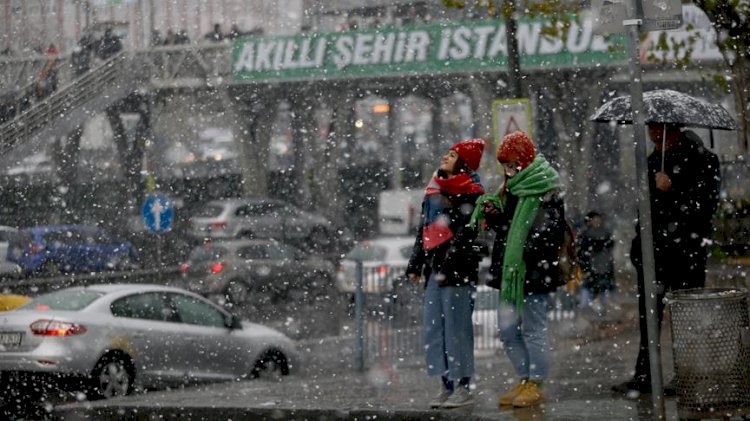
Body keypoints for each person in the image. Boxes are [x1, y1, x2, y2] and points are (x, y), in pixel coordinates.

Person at [611, 123, 720, 396]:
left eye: (656, 129)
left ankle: (687, 374)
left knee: (686, 319)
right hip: (654, 255)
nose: (651, 134)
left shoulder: (703, 160)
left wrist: (672, 189)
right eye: (649, 129)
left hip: (686, 253)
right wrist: (639, 248)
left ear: (671, 130)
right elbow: (645, 210)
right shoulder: (651, 162)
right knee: (649, 317)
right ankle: (645, 375)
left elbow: (705, 206)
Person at [469, 131, 565, 408]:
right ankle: (524, 379)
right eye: (505, 165)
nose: (508, 170)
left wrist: (525, 249)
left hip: (533, 272)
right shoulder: (511, 188)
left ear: (524, 160)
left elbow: (550, 234)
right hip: (510, 272)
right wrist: (494, 216)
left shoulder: (545, 188)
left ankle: (536, 382)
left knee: (534, 328)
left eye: (512, 164)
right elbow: (507, 229)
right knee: (508, 329)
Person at [405, 138, 486, 409]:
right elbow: (424, 229)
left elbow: (468, 232)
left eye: (452, 155)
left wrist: (451, 257)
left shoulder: (471, 192)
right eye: (447, 152)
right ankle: (445, 383)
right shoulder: (434, 189)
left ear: (463, 162)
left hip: (458, 271)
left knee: (457, 329)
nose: (445, 157)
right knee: (434, 329)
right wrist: (416, 263)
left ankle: (463, 385)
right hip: (435, 270)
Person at [576, 210, 615, 310]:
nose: (597, 222)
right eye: (594, 219)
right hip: (591, 269)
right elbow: (582, 253)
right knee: (587, 293)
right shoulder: (585, 235)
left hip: (603, 268)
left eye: (598, 219)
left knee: (602, 295)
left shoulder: (606, 233)